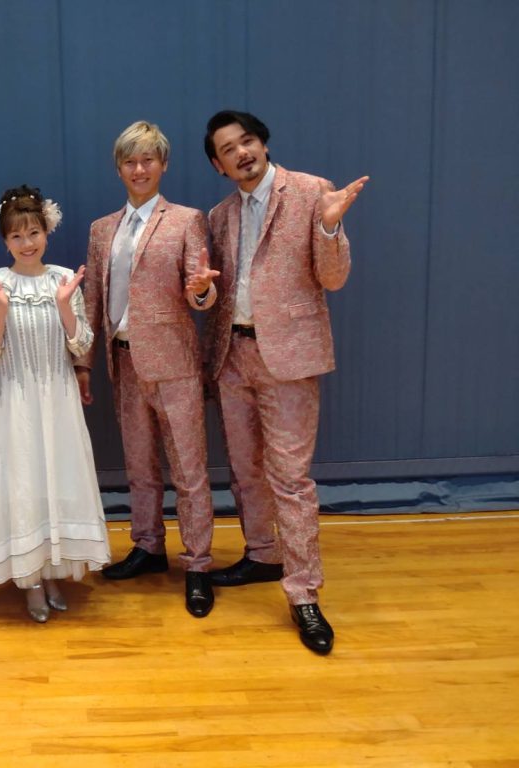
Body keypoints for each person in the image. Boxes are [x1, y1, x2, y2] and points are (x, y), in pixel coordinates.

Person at [203, 109, 368, 654]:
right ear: (219, 165)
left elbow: (334, 279)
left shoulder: (312, 192)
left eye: (247, 140)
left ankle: (303, 593)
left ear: (264, 144)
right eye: (228, 149)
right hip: (232, 356)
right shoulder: (220, 216)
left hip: (290, 359)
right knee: (245, 471)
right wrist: (200, 293)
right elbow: (214, 292)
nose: (241, 152)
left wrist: (329, 226)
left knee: (291, 481)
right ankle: (261, 554)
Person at [75, 120, 220, 618]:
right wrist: (83, 363)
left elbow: (200, 292)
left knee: (189, 470)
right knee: (139, 466)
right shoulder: (102, 230)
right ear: (118, 168)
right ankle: (148, 546)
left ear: (164, 165)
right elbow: (91, 300)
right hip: (123, 359)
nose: (139, 169)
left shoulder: (186, 220)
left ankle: (198, 563)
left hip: (174, 363)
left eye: (148, 160)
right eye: (130, 161)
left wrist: (202, 289)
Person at [0, 186, 112, 622]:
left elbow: (82, 343)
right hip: (12, 402)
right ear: (5, 241)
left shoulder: (63, 280)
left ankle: (52, 571)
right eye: (16, 235)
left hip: (58, 401)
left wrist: (66, 306)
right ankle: (28, 580)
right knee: (22, 487)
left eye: (33, 232)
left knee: (56, 483)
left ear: (47, 232)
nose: (26, 242)